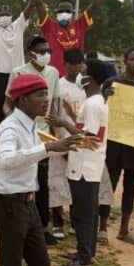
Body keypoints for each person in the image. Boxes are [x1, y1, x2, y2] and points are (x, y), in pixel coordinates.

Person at [0, 73, 82, 266]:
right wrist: (48, 147)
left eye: (45, 94)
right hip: (8, 204)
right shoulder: (10, 128)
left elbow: (29, 155)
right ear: (22, 99)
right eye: (39, 95)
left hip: (26, 203)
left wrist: (54, 147)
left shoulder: (29, 124)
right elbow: (5, 161)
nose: (45, 101)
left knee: (41, 263)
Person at [50, 60, 109, 266]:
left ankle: (83, 258)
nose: (78, 73)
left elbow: (90, 138)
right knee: (88, 212)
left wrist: (64, 123)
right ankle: (86, 251)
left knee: (83, 214)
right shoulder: (95, 101)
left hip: (85, 165)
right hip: (88, 164)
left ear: (90, 78)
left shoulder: (93, 103)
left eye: (83, 71)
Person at [7, 35, 61, 245]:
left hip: (43, 134)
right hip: (22, 132)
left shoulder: (53, 73)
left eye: (48, 50)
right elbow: (8, 104)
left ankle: (41, 226)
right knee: (23, 180)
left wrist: (55, 132)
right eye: (41, 51)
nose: (46, 55)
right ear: (31, 53)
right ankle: (19, 224)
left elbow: (55, 104)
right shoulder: (18, 72)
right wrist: (13, 124)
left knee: (43, 182)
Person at [103, 46, 134, 246]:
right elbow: (101, 107)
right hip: (114, 143)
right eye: (131, 59)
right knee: (109, 185)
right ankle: (102, 228)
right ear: (124, 61)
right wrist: (105, 95)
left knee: (130, 186)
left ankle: (124, 229)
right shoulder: (113, 83)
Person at [32, 0, 104, 77]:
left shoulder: (80, 25)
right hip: (55, 77)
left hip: (76, 78)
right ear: (56, 13)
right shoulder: (49, 26)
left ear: (72, 13)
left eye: (67, 11)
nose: (64, 13)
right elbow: (37, 2)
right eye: (61, 11)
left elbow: (96, 3)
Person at [49, 47, 86, 239]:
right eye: (72, 64)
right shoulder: (58, 86)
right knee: (56, 181)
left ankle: (75, 221)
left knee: (76, 183)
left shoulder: (86, 87)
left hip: (80, 142)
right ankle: (57, 222)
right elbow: (53, 116)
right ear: (65, 65)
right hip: (60, 141)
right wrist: (59, 143)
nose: (76, 68)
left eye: (79, 63)